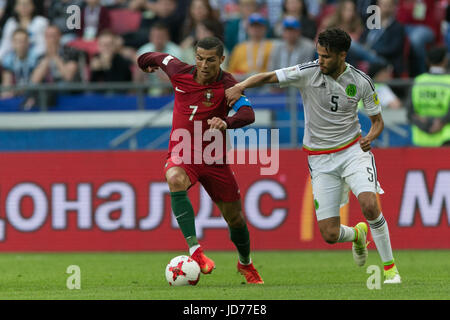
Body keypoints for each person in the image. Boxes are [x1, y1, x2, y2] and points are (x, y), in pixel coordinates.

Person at [226, 28, 401, 284]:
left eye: (326, 57)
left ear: (343, 55)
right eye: (318, 55)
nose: (320, 61)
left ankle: (390, 269)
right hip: (319, 159)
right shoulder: (308, 72)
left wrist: (370, 137)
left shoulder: (361, 81)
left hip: (353, 152)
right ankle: (357, 235)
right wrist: (241, 85)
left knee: (370, 205)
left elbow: (377, 122)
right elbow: (270, 76)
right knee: (329, 234)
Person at [136, 36, 264, 284]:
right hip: (183, 152)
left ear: (222, 60)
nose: (204, 65)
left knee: (235, 219)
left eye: (211, 60)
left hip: (214, 158)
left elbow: (248, 114)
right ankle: (196, 251)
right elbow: (151, 56)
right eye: (200, 59)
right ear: (195, 57)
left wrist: (227, 122)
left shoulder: (228, 85)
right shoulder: (178, 70)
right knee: (174, 178)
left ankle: (245, 263)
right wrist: (145, 65)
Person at [407, 46, 450, 147]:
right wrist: (441, 123)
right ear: (445, 61)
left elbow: (410, 112)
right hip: (445, 138)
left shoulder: (418, 81)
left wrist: (423, 125)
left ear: (427, 61)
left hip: (420, 139)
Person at [227, 13, 274, 80]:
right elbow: (231, 71)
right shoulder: (239, 48)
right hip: (242, 81)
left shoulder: (272, 46)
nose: (256, 29)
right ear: (247, 28)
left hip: (265, 82)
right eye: (253, 26)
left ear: (265, 28)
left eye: (259, 26)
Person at [1, 28, 40, 101]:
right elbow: (7, 83)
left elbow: (34, 83)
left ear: (28, 42)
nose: (21, 44)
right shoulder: (8, 59)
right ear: (13, 43)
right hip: (15, 94)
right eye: (18, 41)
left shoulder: (35, 57)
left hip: (32, 94)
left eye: (24, 41)